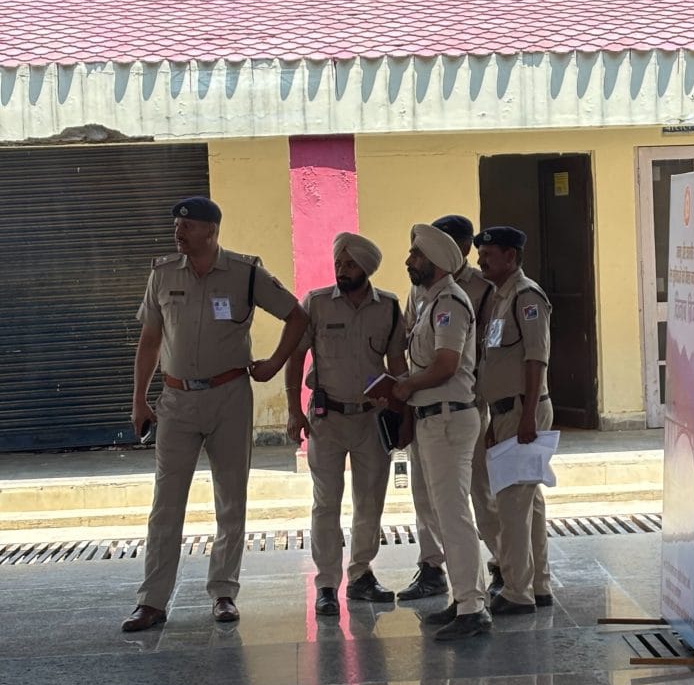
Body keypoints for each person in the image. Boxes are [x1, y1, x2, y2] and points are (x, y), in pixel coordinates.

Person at [123, 196, 308, 632]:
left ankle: (224, 591)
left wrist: (275, 363)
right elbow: (150, 340)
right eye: (176, 225)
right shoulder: (163, 274)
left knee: (231, 498)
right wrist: (138, 399)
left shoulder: (245, 273)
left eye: (187, 226)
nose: (178, 232)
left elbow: (297, 315)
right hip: (176, 401)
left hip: (229, 397)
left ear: (211, 230)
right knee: (166, 504)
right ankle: (151, 601)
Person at [284, 232, 408, 616]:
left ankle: (360, 575)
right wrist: (293, 410)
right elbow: (296, 356)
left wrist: (402, 412)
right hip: (327, 419)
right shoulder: (317, 304)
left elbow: (398, 367)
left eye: (350, 264)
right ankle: (325, 584)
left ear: (367, 268)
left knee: (370, 501)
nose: (342, 270)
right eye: (339, 263)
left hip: (371, 421)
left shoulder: (387, 307)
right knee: (326, 503)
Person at [393, 223, 491, 640]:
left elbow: (446, 364)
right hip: (432, 418)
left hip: (449, 418)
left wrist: (407, 385)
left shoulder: (449, 301)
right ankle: (463, 597)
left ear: (432, 262)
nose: (408, 260)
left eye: (415, 255)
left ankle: (472, 608)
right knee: (439, 513)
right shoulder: (430, 301)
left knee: (453, 515)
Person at [473, 226, 554, 615]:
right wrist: (494, 418)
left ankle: (517, 592)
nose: (481, 260)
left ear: (510, 256)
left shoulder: (526, 297)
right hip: (505, 411)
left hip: (525, 410)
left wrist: (526, 417)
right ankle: (538, 585)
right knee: (529, 501)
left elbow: (536, 357)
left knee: (511, 504)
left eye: (488, 254)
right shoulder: (498, 298)